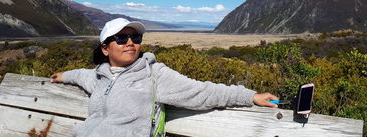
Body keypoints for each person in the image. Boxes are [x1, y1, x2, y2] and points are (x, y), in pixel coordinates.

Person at [50, 18, 279, 137]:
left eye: (135, 37)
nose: (130, 43)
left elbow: (201, 92)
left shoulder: (154, 74)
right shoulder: (99, 76)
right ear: (105, 49)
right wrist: (63, 76)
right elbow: (81, 75)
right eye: (121, 38)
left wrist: (250, 96)